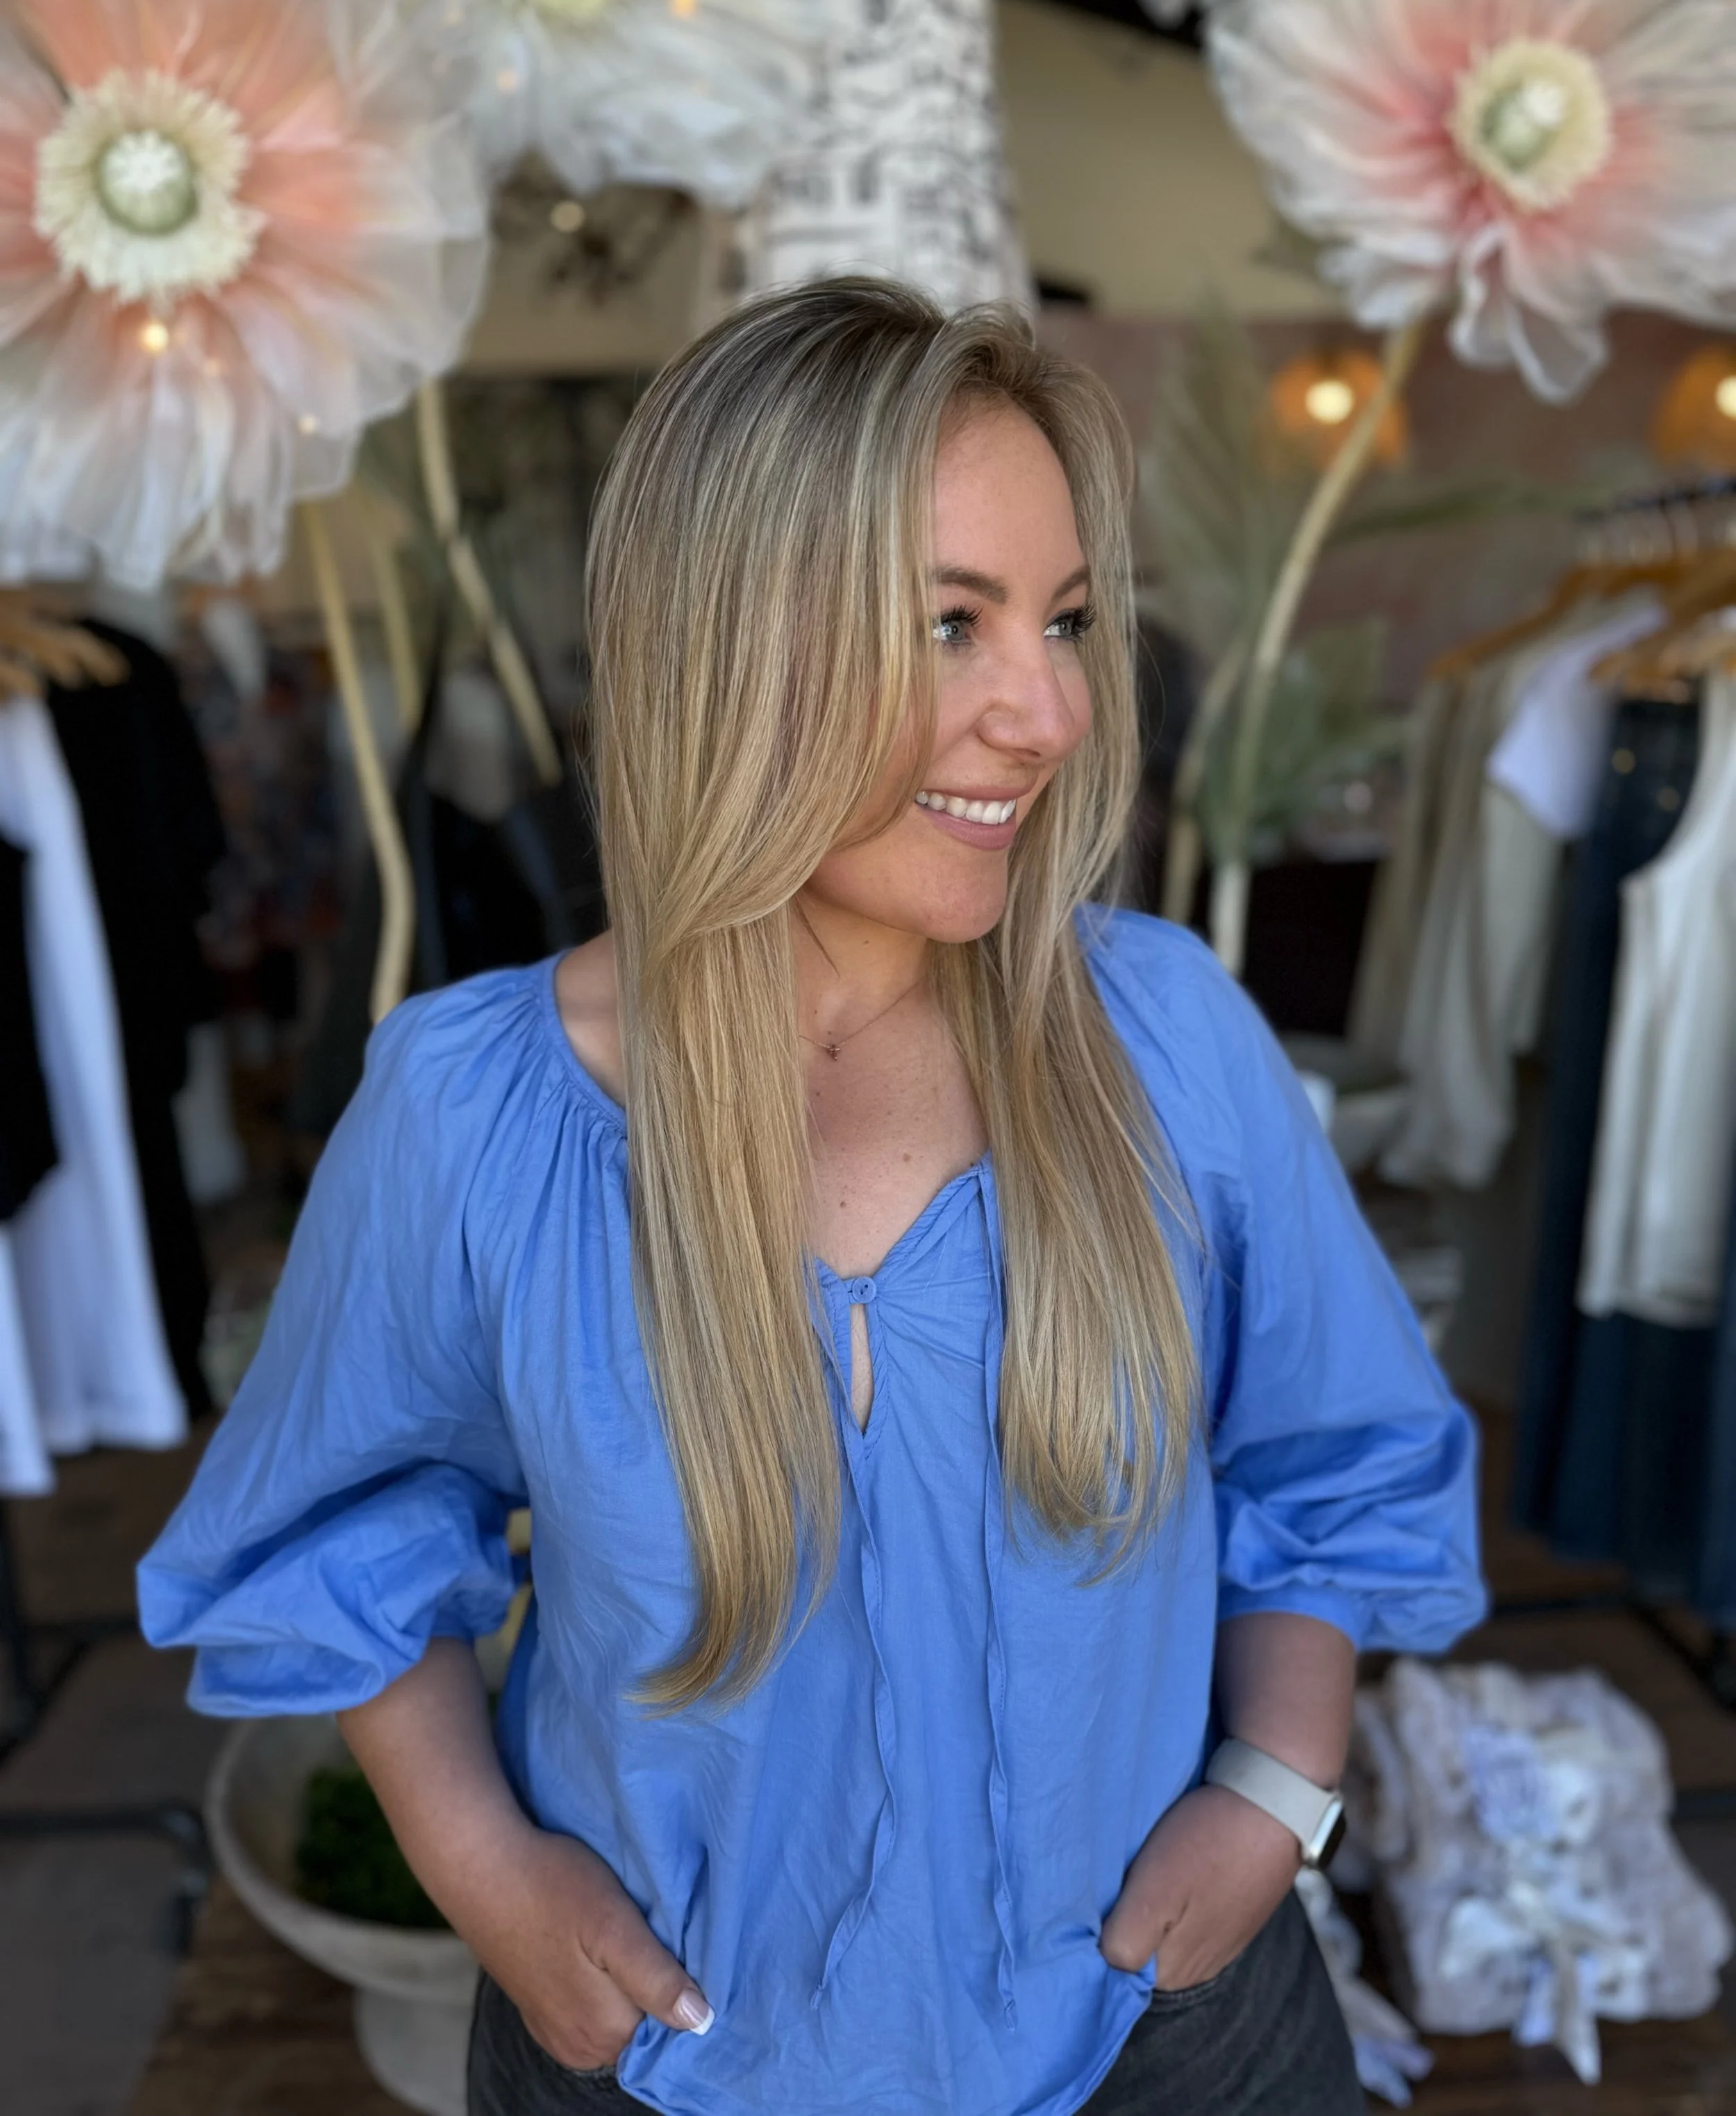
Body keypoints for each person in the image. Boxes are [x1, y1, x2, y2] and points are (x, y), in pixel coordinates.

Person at [140, 279, 1483, 2116]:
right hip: (660, 2056)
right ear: (728, 639)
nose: (1049, 710)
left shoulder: (1165, 1039)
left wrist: (1274, 1792)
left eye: (1065, 619)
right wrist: (489, 1875)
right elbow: (340, 1539)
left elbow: (1330, 1456)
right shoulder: (472, 1112)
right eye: (949, 622)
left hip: (1167, 2035)